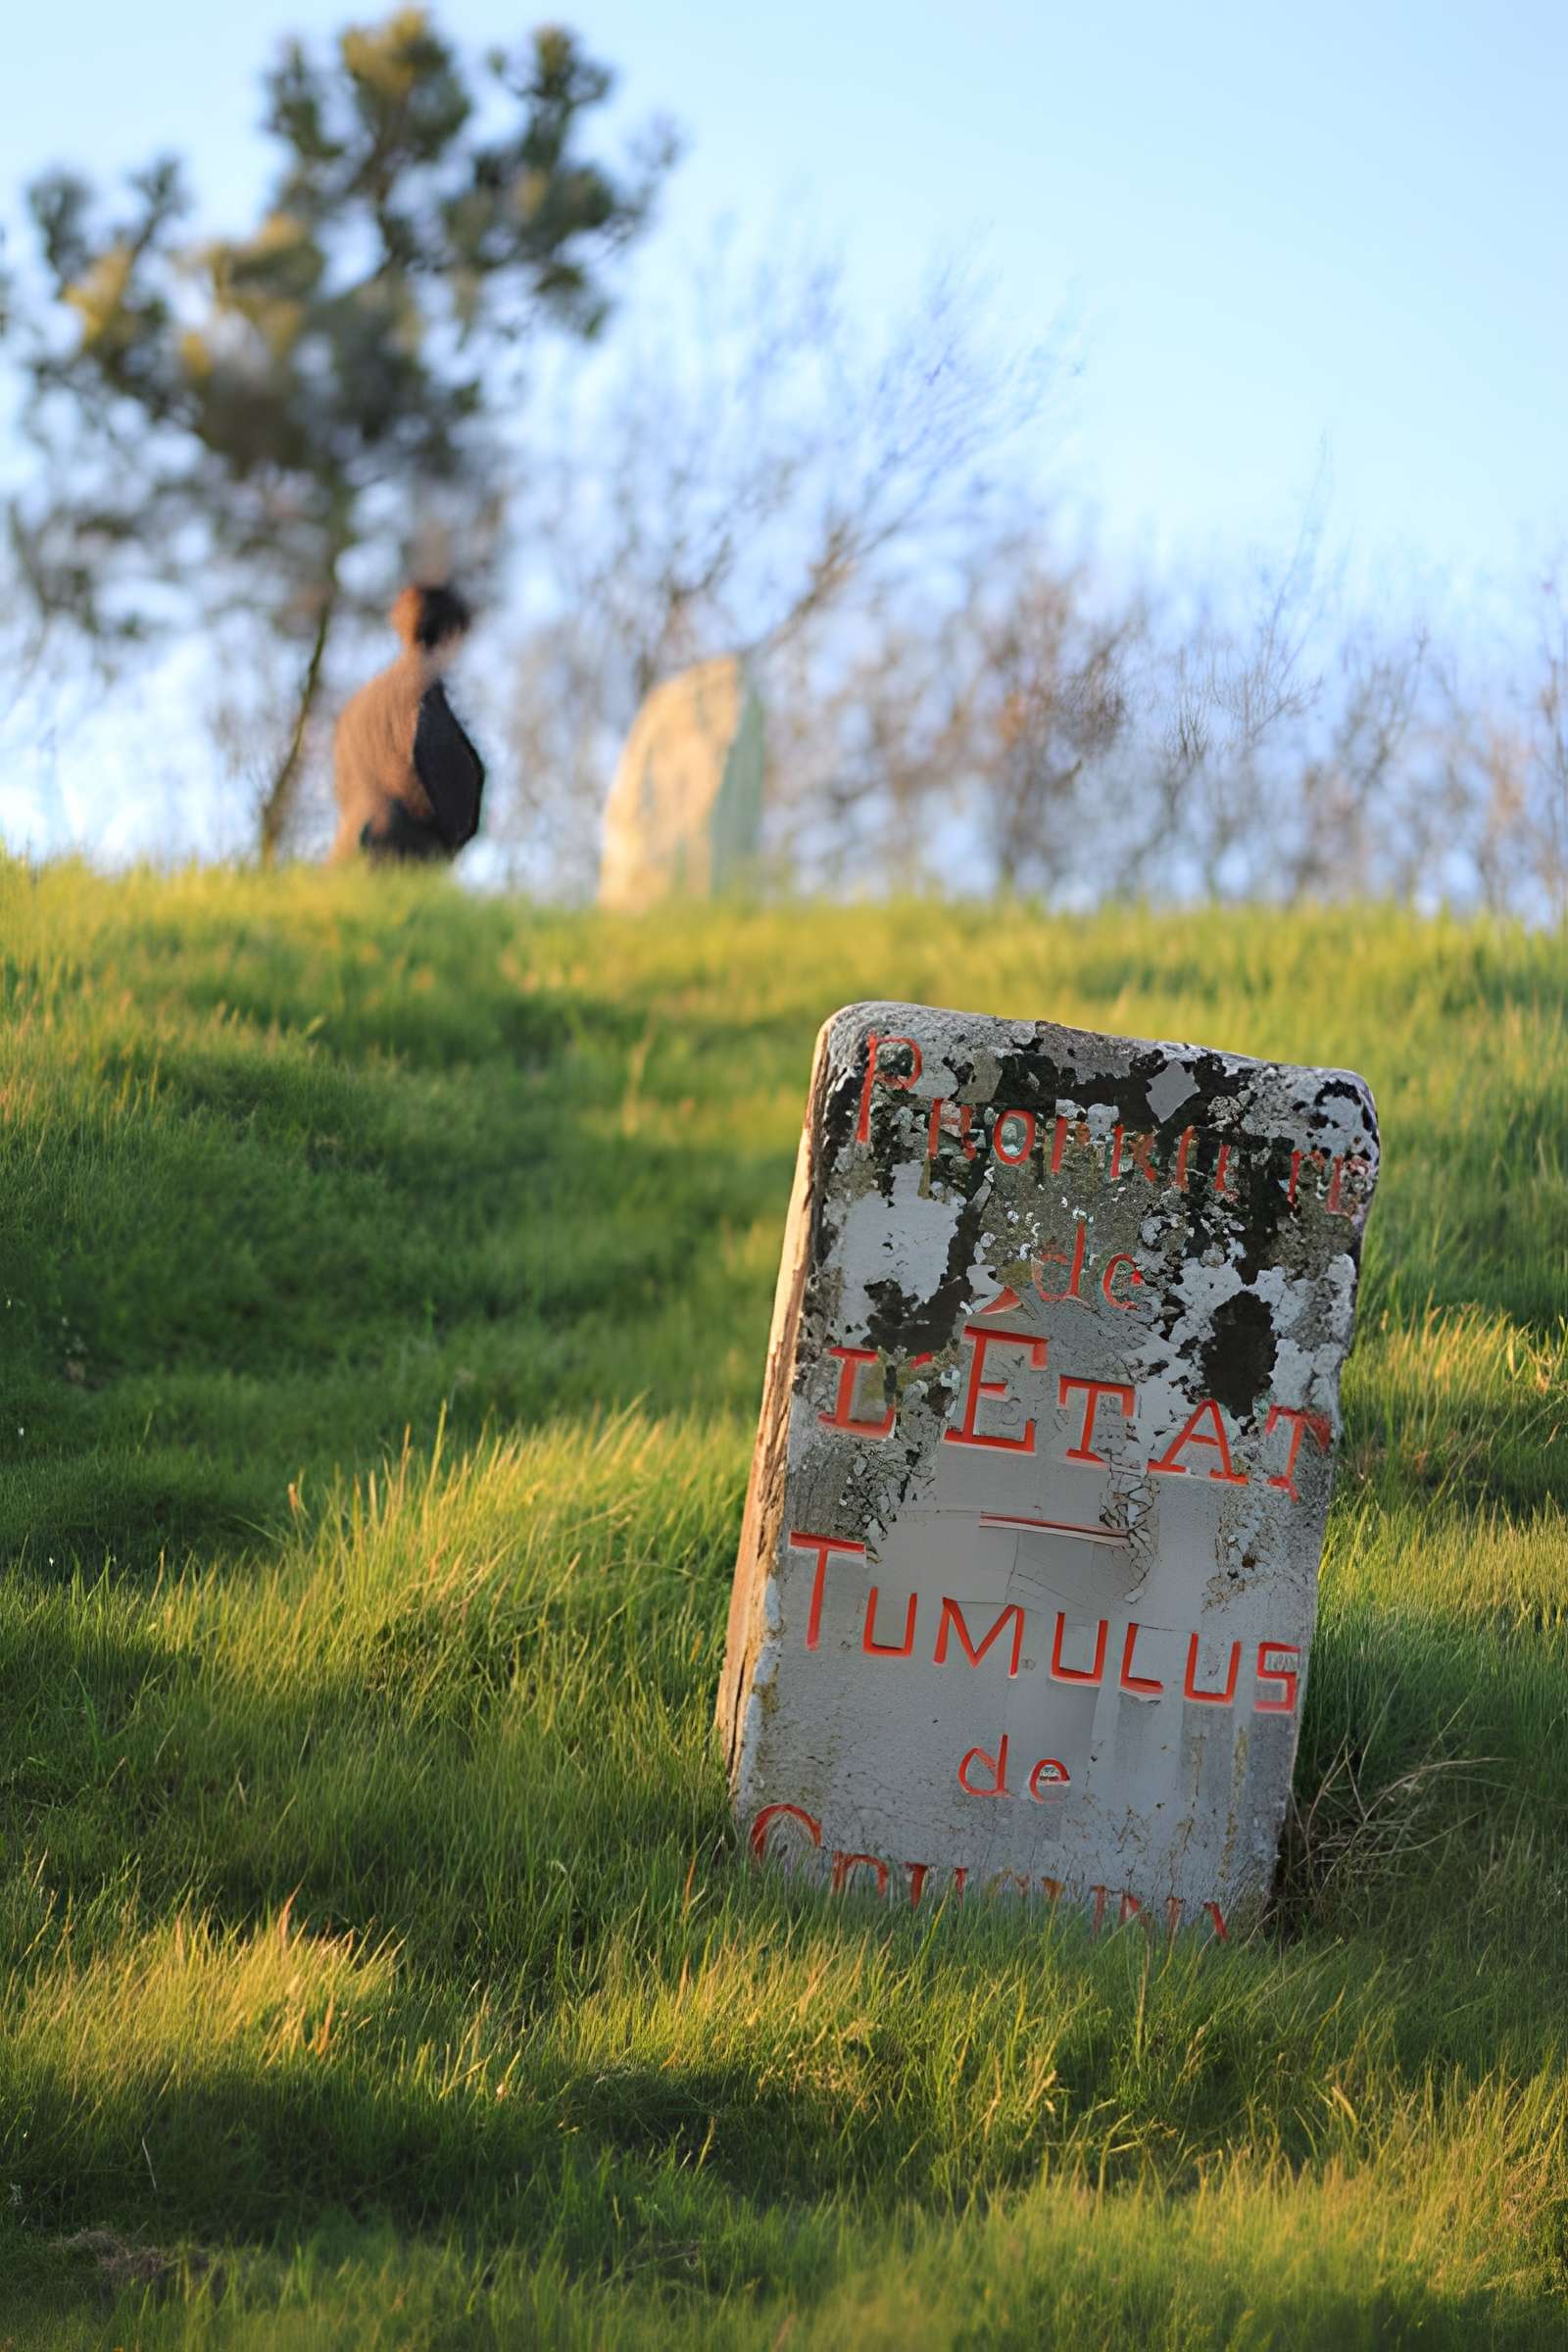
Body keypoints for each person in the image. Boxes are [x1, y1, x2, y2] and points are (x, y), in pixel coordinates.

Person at [329, 583, 485, 863]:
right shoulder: (424, 690)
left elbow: (343, 783)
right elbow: (441, 766)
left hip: (347, 850)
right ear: (451, 633)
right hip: (402, 852)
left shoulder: (358, 703)